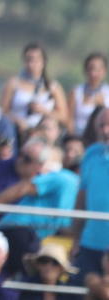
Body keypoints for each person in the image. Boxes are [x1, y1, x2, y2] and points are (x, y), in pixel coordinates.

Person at [71, 107, 109, 280]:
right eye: (101, 125)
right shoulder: (92, 153)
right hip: (90, 243)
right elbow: (81, 199)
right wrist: (76, 240)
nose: (105, 131)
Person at [1, 44, 68, 136]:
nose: (31, 64)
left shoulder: (53, 87)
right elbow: (4, 111)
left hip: (41, 133)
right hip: (16, 130)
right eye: (28, 60)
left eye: (36, 60)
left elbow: (63, 117)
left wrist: (43, 110)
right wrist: (18, 121)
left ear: (43, 62)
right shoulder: (13, 83)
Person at [72, 53, 109, 138]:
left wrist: (102, 104)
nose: (94, 73)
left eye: (98, 70)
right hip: (80, 135)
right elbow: (69, 119)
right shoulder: (77, 91)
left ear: (104, 71)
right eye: (91, 69)